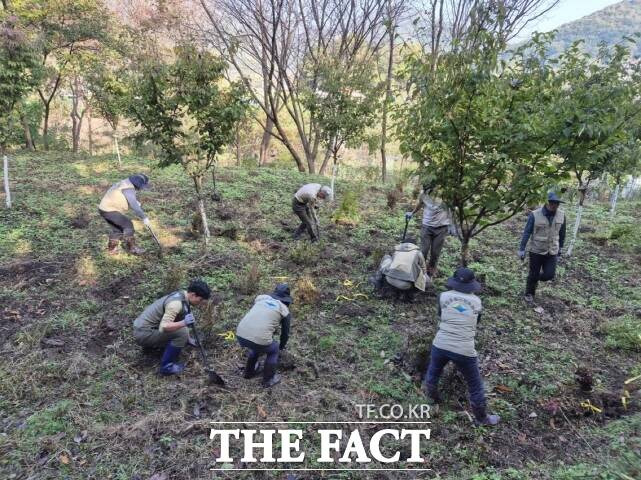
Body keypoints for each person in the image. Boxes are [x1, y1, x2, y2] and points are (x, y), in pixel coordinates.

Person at [423, 267, 500, 426]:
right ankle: (481, 418)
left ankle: (431, 398)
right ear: (472, 285)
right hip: (464, 349)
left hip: (441, 344)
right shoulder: (477, 302)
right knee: (475, 384)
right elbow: (476, 322)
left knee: (434, 371)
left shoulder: (443, 296)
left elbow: (440, 315)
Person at [133, 280, 211, 376]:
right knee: (181, 332)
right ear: (193, 295)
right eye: (200, 300)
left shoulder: (183, 296)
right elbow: (164, 327)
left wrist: (188, 339)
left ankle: (154, 347)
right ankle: (167, 367)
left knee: (182, 328)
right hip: (143, 333)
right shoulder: (176, 304)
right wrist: (184, 322)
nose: (200, 303)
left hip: (147, 329)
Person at [236, 284, 293, 388]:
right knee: (273, 348)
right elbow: (285, 334)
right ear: (287, 299)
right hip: (258, 338)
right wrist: (281, 347)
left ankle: (248, 372)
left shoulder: (261, 298)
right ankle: (268, 379)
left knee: (258, 342)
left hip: (240, 333)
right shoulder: (284, 310)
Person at [518, 192, 566, 303]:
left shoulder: (562, 215)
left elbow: (562, 233)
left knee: (549, 275)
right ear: (547, 202)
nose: (555, 206)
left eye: (557, 204)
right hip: (536, 250)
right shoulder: (535, 214)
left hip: (552, 250)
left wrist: (561, 248)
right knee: (533, 272)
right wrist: (522, 248)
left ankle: (533, 278)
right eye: (553, 203)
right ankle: (529, 293)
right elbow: (527, 232)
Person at [98, 174, 151, 255]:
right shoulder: (128, 188)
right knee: (128, 225)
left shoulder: (125, 183)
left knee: (117, 229)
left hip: (103, 209)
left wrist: (134, 201)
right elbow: (134, 205)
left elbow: (124, 196)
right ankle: (132, 248)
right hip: (110, 210)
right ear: (138, 184)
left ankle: (112, 250)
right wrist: (144, 217)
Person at [406, 182, 451, 276]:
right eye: (426, 188)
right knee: (424, 250)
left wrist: (452, 225)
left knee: (435, 252)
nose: (428, 190)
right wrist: (412, 213)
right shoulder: (423, 195)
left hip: (441, 227)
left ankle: (431, 269)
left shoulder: (444, 195)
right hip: (427, 226)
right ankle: (420, 269)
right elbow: (420, 204)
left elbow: (453, 208)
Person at [370, 236, 429, 301]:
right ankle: (411, 294)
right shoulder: (418, 253)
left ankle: (378, 280)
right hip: (406, 286)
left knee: (387, 257)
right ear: (414, 245)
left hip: (389, 279)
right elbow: (424, 270)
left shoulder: (397, 251)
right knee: (423, 274)